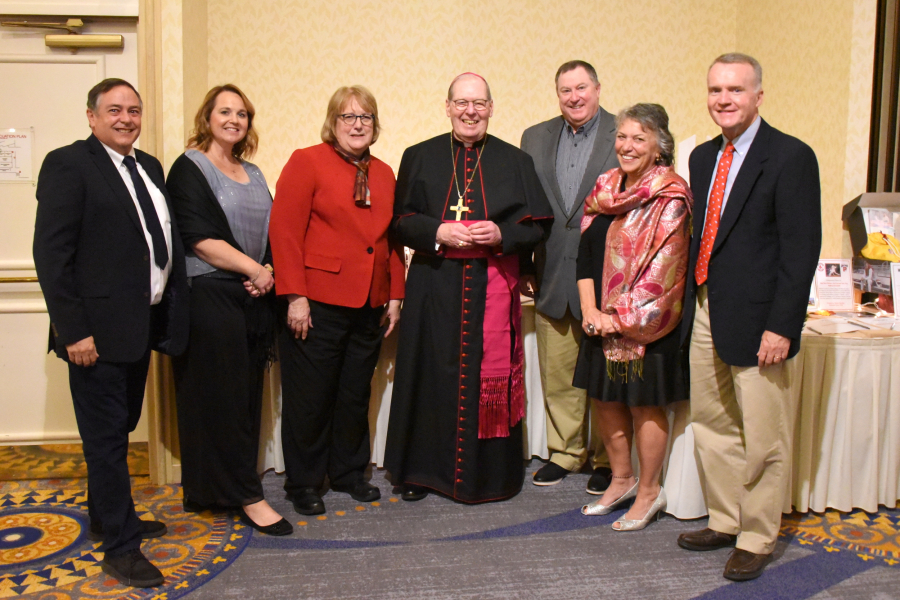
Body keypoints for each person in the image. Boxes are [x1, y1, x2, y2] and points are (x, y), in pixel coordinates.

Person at [33, 78, 189, 588]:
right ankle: (121, 549)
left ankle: (107, 516)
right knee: (105, 443)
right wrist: (74, 331)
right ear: (91, 115)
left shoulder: (149, 167)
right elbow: (52, 257)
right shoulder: (69, 163)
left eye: (134, 110)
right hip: (93, 338)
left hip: (137, 328)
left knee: (118, 431)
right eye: (115, 110)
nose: (126, 118)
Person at [677, 54, 821, 581]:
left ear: (759, 95)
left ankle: (757, 535)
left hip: (762, 319)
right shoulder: (701, 158)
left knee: (764, 434)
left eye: (735, 89)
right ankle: (725, 518)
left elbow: (800, 249)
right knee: (712, 422)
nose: (724, 99)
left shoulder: (791, 157)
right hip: (707, 307)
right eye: (715, 89)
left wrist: (783, 324)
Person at [384, 73, 553, 503]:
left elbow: (536, 226)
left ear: (491, 108)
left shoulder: (515, 161)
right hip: (433, 286)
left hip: (490, 283)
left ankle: (490, 476)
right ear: (447, 107)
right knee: (429, 374)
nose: (470, 111)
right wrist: (438, 231)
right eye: (461, 103)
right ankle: (422, 474)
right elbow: (399, 221)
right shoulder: (418, 155)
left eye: (479, 103)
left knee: (485, 378)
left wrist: (500, 234)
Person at [269, 85, 405, 516]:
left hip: (370, 302)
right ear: (333, 123)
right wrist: (295, 296)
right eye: (348, 117)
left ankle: (348, 473)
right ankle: (304, 482)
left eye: (365, 117)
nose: (357, 125)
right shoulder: (306, 161)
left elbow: (391, 240)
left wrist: (396, 294)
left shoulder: (384, 173)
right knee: (311, 396)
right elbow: (284, 233)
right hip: (317, 301)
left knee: (353, 394)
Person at [165, 84, 291, 536]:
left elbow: (274, 229)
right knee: (215, 400)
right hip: (209, 297)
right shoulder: (188, 168)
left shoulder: (254, 172)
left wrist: (269, 269)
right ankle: (247, 496)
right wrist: (256, 271)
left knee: (244, 400)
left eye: (242, 114)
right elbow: (198, 237)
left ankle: (213, 491)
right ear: (208, 117)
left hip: (253, 301)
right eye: (225, 111)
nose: (234, 120)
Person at [576, 104, 691, 531]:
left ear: (658, 147)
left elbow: (666, 271)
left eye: (638, 139)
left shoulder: (671, 196)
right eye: (622, 137)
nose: (626, 146)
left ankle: (648, 491)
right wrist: (589, 309)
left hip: (648, 325)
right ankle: (621, 479)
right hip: (599, 318)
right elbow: (584, 253)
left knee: (644, 405)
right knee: (605, 399)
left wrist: (617, 320)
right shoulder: (605, 188)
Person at [520, 60, 618, 492]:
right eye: (565, 90)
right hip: (552, 274)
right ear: (556, 94)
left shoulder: (625, 133)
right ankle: (565, 451)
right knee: (558, 372)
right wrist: (525, 264)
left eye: (581, 88)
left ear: (597, 88)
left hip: (608, 278)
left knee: (604, 374)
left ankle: (607, 458)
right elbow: (524, 207)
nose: (574, 97)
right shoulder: (534, 137)